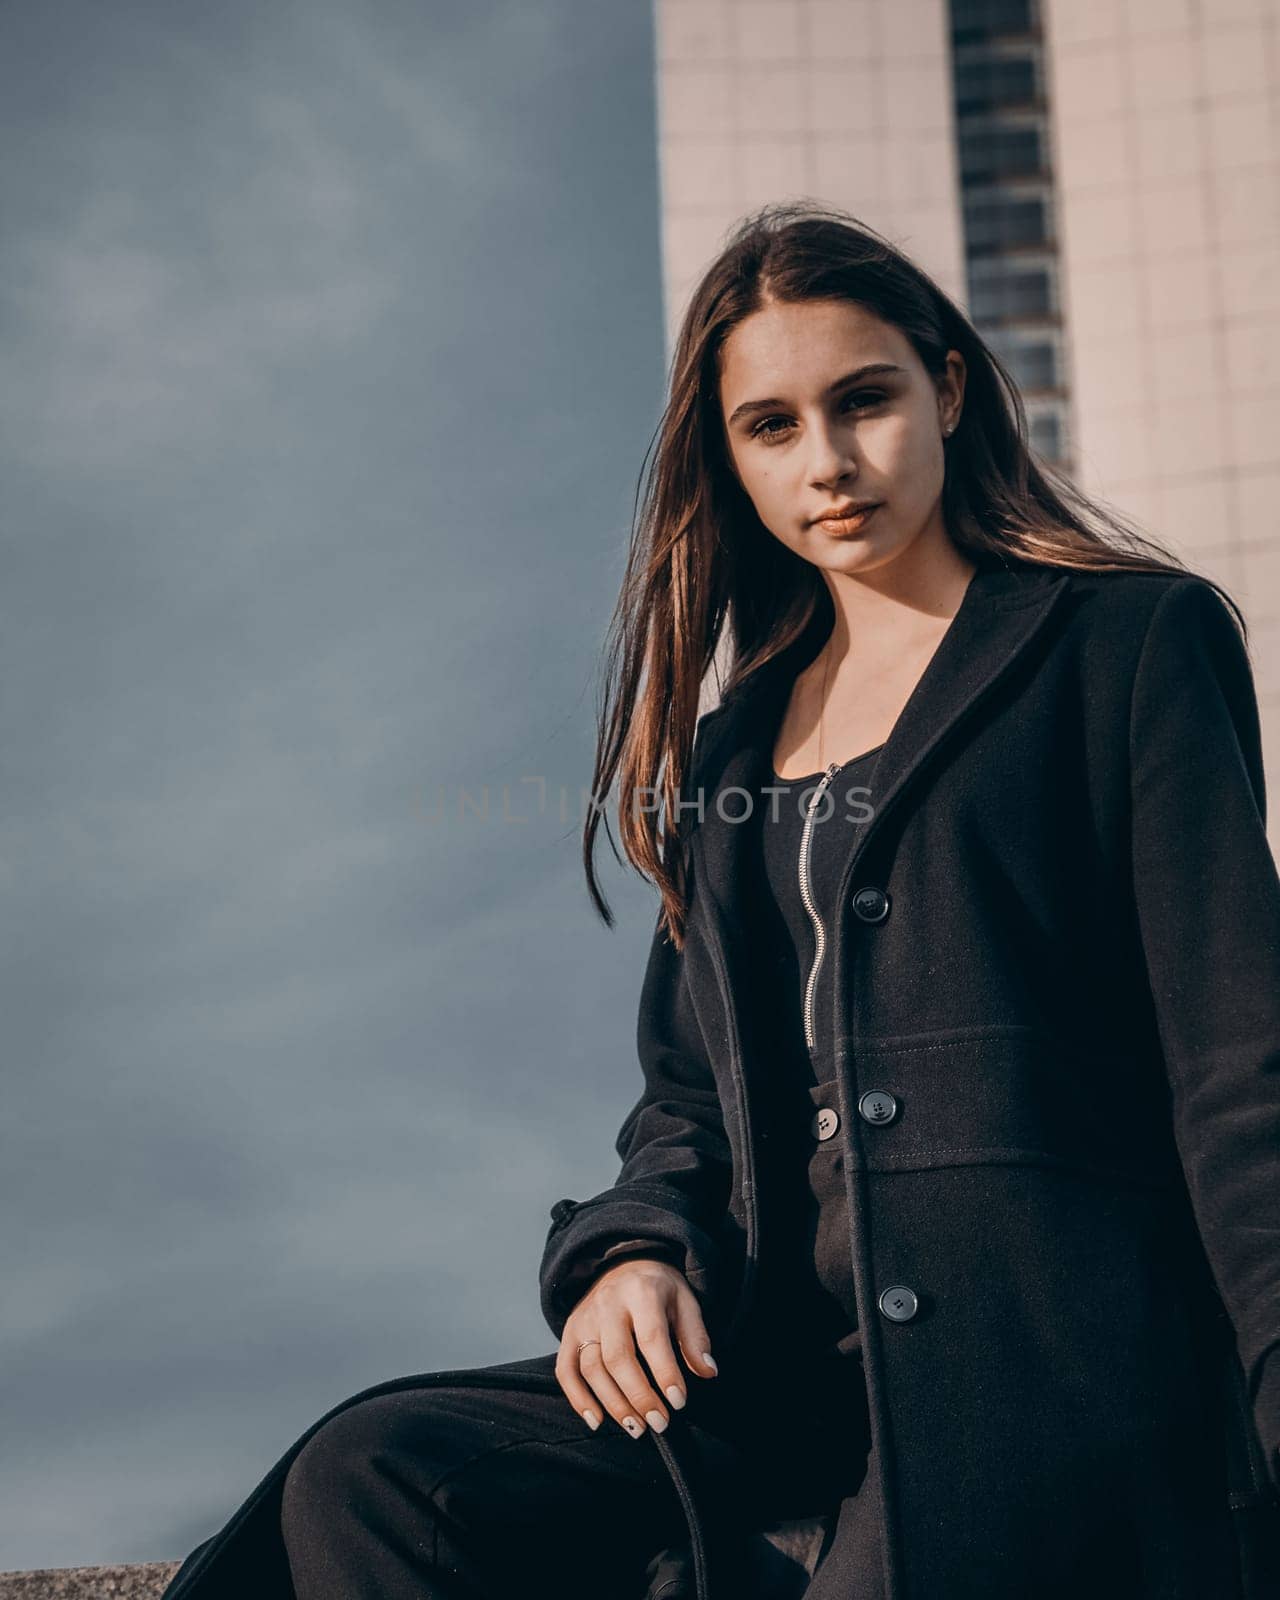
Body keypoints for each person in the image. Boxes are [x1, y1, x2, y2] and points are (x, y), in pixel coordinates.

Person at [161, 203, 1280, 1600]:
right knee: (382, 1476)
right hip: (779, 1377)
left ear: (944, 387)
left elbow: (1239, 1064)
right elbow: (690, 1102)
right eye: (771, 425)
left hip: (1039, 1370)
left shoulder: (1122, 645)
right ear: (729, 456)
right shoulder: (733, 756)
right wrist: (629, 1253)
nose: (828, 463)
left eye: (863, 400)